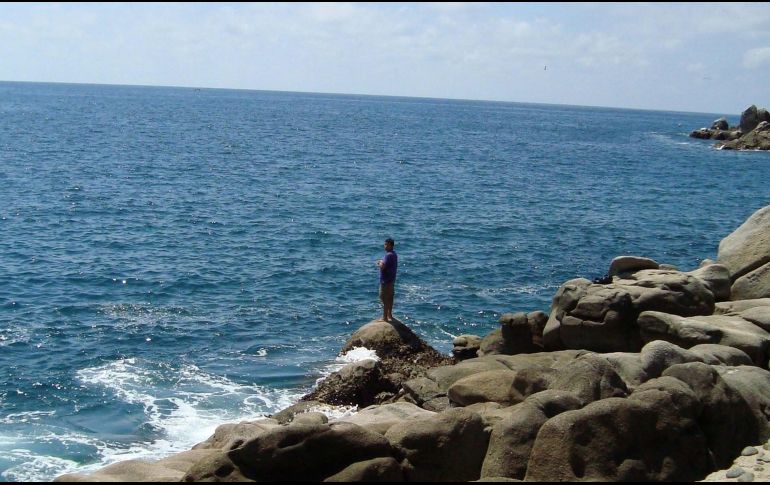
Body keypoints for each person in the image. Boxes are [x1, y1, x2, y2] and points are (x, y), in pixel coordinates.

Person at [376, 238, 398, 322]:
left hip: (386, 281)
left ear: (391, 245)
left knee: (383, 297)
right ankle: (390, 315)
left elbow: (383, 266)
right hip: (391, 279)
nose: (385, 246)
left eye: (386, 244)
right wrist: (382, 261)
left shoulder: (388, 255)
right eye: (384, 244)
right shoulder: (394, 254)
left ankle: (385, 317)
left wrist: (379, 263)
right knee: (390, 297)